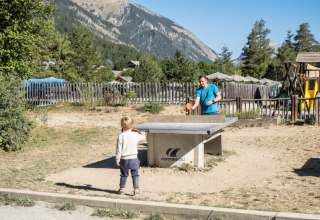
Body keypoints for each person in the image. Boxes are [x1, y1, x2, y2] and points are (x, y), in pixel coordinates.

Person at [115, 116, 146, 195]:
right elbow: (143, 138)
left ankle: (121, 189)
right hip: (133, 158)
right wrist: (143, 133)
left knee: (123, 174)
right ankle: (136, 190)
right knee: (135, 173)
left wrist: (117, 159)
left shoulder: (121, 136)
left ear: (121, 126)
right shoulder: (135, 134)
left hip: (124, 159)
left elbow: (118, 149)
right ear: (132, 125)